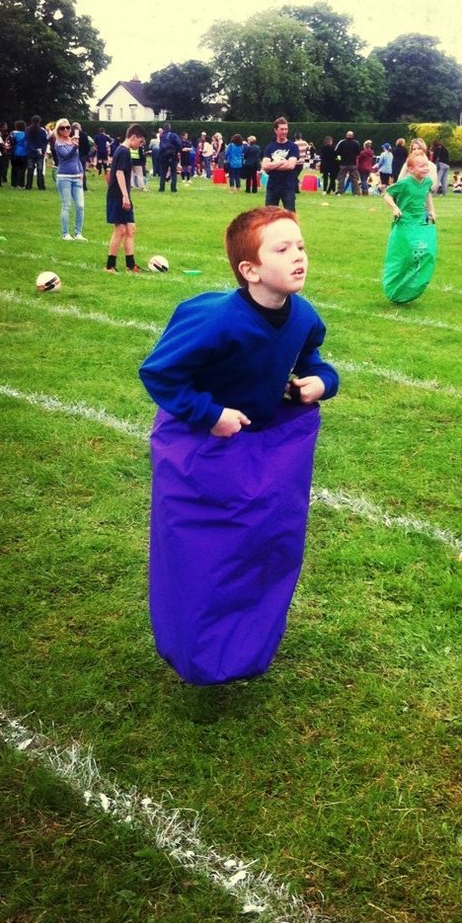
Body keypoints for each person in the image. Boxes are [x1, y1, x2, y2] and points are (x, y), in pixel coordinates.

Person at [138, 206, 339, 686]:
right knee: (204, 553)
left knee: (265, 543)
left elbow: (311, 358)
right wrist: (210, 414)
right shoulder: (212, 319)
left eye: (301, 246)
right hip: (200, 448)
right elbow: (159, 373)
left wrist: (323, 382)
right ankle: (196, 648)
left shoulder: (303, 315)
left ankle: (246, 646)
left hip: (262, 447)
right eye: (282, 249)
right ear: (249, 270)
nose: (299, 257)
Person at [382, 144, 438, 303]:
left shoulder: (427, 182)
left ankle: (412, 285)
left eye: (426, 165)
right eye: (421, 166)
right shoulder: (405, 183)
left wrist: (431, 211)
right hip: (405, 224)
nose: (426, 168)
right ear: (411, 169)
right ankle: (394, 285)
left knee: (426, 252)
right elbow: (387, 195)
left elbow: (427, 195)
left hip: (420, 222)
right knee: (405, 256)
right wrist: (395, 208)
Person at [106, 123, 144, 271]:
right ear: (133, 137)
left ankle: (130, 265)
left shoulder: (124, 151)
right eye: (140, 142)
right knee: (120, 230)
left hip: (123, 196)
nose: (140, 145)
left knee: (130, 229)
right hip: (118, 196)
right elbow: (119, 173)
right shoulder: (123, 152)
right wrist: (125, 196)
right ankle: (110, 266)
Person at [50, 118, 86, 241]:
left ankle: (78, 233)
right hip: (64, 177)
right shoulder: (58, 143)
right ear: (58, 130)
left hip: (76, 177)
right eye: (62, 128)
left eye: (68, 127)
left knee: (80, 206)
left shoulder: (72, 141)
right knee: (66, 206)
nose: (65, 130)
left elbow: (77, 159)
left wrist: (81, 172)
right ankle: (65, 233)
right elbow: (66, 156)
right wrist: (75, 147)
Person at [261, 116, 300, 211]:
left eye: (286, 129)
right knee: (269, 215)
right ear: (276, 130)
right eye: (282, 129)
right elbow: (265, 166)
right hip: (272, 187)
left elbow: (291, 165)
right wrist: (282, 162)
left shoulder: (293, 147)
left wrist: (273, 165)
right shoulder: (270, 147)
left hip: (288, 187)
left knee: (290, 215)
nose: (284, 131)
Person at [25, 116, 49, 190]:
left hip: (30, 152)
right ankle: (41, 186)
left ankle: (28, 185)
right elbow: (45, 141)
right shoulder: (42, 131)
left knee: (30, 169)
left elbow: (26, 140)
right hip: (39, 152)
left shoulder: (27, 130)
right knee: (40, 170)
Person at [335, 130, 361, 196]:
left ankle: (340, 192)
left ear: (346, 135)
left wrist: (339, 159)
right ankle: (356, 193)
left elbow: (337, 152)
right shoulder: (356, 143)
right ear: (353, 136)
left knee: (341, 178)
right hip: (353, 164)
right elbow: (358, 153)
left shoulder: (342, 142)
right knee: (354, 179)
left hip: (343, 163)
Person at [158, 121, 182, 192]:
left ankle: (162, 188)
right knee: (173, 172)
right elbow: (179, 144)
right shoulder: (174, 135)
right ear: (170, 128)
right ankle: (173, 188)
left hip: (163, 156)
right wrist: (176, 151)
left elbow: (160, 146)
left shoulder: (161, 136)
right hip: (173, 156)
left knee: (163, 172)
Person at [8, 120, 29, 188]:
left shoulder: (12, 133)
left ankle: (14, 184)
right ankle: (21, 184)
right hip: (24, 153)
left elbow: (10, 142)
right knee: (22, 169)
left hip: (15, 152)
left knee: (14, 168)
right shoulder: (26, 134)